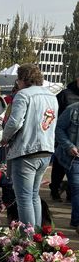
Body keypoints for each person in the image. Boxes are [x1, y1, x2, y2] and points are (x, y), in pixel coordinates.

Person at [0, 63, 58, 230]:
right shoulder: (51, 96)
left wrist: (5, 137)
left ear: (23, 79)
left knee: (24, 197)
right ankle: (38, 235)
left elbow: (15, 122)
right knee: (33, 195)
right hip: (46, 151)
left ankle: (28, 239)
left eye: (18, 80)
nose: (17, 83)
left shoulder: (23, 95)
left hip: (26, 150)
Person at [49, 77, 79, 200]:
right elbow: (55, 115)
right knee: (59, 167)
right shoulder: (65, 94)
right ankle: (55, 189)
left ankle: (71, 194)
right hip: (64, 139)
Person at [54, 100, 79, 234]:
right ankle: (77, 222)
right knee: (77, 189)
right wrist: (69, 146)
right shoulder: (72, 109)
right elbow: (58, 128)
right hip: (73, 158)